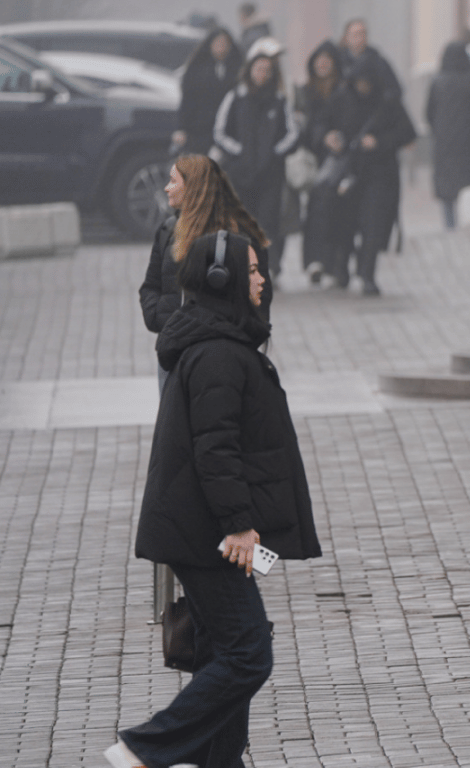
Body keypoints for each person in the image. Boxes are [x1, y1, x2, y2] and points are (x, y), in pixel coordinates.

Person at [105, 230, 321, 768]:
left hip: (203, 531)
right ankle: (144, 747)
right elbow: (215, 451)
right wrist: (239, 524)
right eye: (253, 270)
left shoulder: (222, 342)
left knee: (224, 652)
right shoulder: (219, 354)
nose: (262, 279)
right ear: (222, 279)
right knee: (248, 654)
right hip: (206, 535)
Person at [139, 154, 273, 391]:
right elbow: (150, 286)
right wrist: (164, 319)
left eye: (173, 181)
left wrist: (242, 341)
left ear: (193, 187)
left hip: (227, 354)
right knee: (173, 413)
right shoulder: (168, 231)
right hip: (175, 350)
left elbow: (260, 294)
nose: (166, 188)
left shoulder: (240, 235)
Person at [313, 54, 416, 295]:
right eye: (359, 82)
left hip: (380, 174)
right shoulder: (341, 99)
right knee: (342, 222)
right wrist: (328, 137)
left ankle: (367, 274)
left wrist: (379, 142)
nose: (363, 87)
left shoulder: (387, 103)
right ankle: (341, 269)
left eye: (367, 83)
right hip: (347, 172)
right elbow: (319, 125)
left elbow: (407, 132)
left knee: (373, 226)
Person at [213, 38, 297, 278]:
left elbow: (292, 133)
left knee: (269, 221)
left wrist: (276, 153)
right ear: (250, 70)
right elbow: (220, 132)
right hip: (241, 172)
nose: (263, 74)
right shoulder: (236, 98)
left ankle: (269, 266)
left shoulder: (279, 101)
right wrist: (237, 152)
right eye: (259, 69)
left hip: (271, 173)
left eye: (267, 70)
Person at [295, 40, 343, 282]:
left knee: (337, 212)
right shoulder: (305, 92)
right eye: (319, 60)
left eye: (327, 60)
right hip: (313, 160)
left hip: (340, 159)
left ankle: (333, 262)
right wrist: (321, 137)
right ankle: (315, 261)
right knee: (315, 211)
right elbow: (303, 127)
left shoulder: (343, 90)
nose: (322, 64)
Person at [426, 41, 470, 230]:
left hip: (444, 142)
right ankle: (469, 221)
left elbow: (429, 113)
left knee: (447, 188)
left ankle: (450, 224)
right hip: (469, 142)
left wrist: (439, 130)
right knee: (468, 184)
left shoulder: (438, 82)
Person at [174, 28, 242, 155]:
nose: (221, 48)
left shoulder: (238, 68)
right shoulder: (197, 68)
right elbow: (187, 100)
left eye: (225, 44)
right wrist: (181, 128)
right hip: (199, 129)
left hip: (228, 130)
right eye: (218, 43)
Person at [337, 18, 401, 103]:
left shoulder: (378, 61)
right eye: (356, 34)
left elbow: (395, 90)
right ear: (346, 37)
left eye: (363, 34)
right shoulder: (338, 62)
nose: (360, 39)